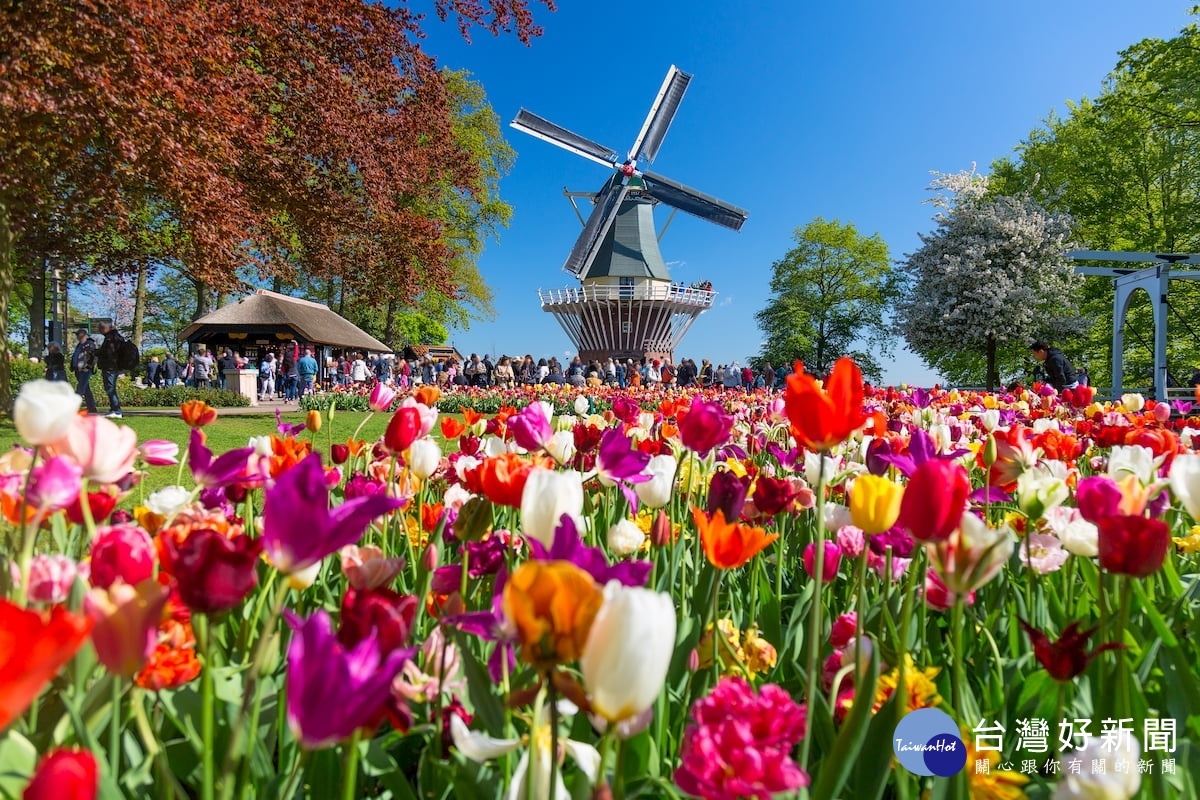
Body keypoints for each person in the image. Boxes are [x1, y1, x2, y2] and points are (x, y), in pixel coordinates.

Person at [94, 322, 125, 418]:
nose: (100, 330)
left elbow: (108, 352)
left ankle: (116, 410)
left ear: (106, 328)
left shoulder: (110, 338)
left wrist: (96, 352)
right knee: (110, 388)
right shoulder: (116, 337)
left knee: (110, 388)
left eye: (101, 328)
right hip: (113, 366)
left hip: (109, 366)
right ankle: (114, 409)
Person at [70, 329, 98, 414]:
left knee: (80, 388)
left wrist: (89, 366)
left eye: (79, 335)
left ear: (84, 335)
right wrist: (73, 366)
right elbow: (75, 356)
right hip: (78, 370)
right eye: (77, 335)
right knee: (86, 389)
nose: (78, 337)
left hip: (85, 369)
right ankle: (92, 407)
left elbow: (94, 356)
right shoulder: (79, 345)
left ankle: (73, 407)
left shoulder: (90, 344)